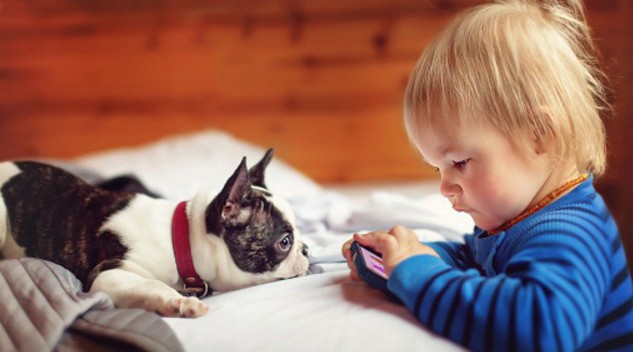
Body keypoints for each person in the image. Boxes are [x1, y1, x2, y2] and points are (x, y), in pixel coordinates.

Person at [341, 0, 633, 351]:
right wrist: (408, 257)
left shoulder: (572, 232)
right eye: (437, 168)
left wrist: (419, 276)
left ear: (538, 133)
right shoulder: (522, 218)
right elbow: (480, 261)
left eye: (460, 162)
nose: (445, 187)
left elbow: (540, 330)